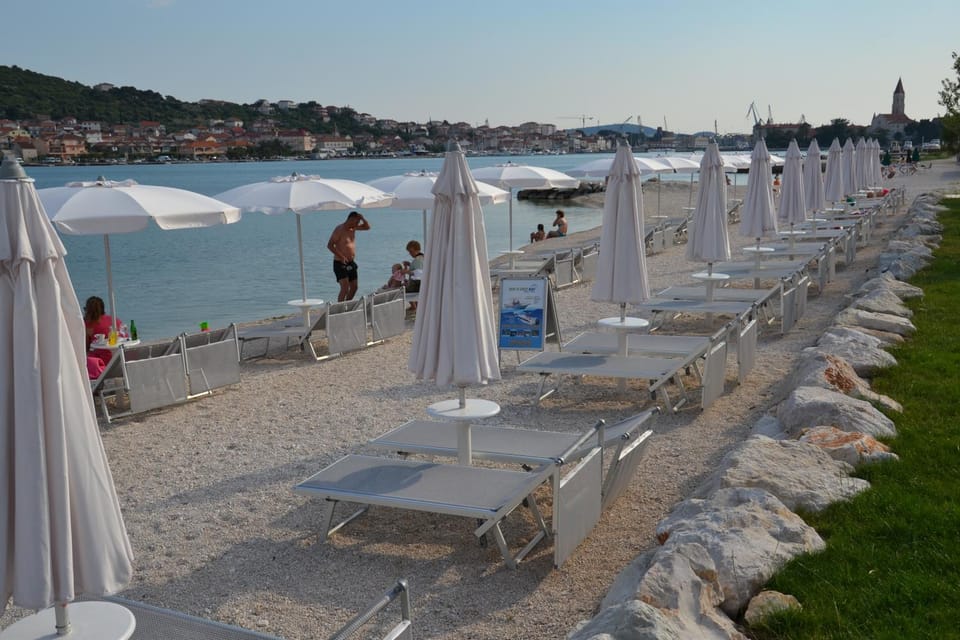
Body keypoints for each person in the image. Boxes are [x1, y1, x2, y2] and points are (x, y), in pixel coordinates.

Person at [327, 211, 371, 302]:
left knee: (354, 287)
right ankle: (339, 308)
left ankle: (346, 305)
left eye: (358, 222)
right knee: (345, 288)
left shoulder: (353, 228)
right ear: (351, 219)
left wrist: (362, 218)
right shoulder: (339, 229)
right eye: (357, 221)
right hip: (340, 262)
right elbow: (330, 245)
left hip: (351, 262)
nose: (358, 224)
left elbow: (367, 227)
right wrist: (341, 256)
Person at [84, 295, 114, 375]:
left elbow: (85, 348)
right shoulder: (114, 320)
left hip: (100, 365)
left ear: (88, 311)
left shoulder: (88, 325)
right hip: (118, 361)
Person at [403, 240, 424, 311]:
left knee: (401, 290)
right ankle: (416, 307)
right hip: (420, 285)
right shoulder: (422, 257)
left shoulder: (418, 260)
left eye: (411, 251)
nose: (410, 254)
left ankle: (414, 307)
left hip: (417, 286)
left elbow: (419, 273)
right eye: (409, 252)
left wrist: (405, 271)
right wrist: (409, 264)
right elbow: (419, 269)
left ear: (417, 250)